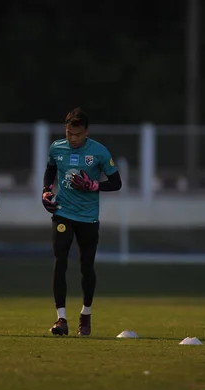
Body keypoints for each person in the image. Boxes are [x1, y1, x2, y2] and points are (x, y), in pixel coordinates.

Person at [42, 107, 122, 336]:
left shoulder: (99, 152)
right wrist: (46, 191)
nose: (73, 139)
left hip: (88, 217)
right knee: (60, 261)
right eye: (69, 134)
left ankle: (85, 313)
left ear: (86, 132)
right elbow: (50, 170)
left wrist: (94, 185)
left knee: (86, 267)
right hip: (63, 212)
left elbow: (117, 183)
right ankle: (61, 319)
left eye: (77, 134)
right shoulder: (56, 148)